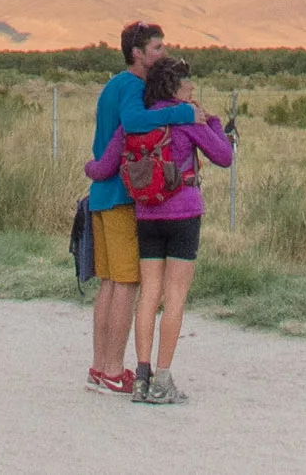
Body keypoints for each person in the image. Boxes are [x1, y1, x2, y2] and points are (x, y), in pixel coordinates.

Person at [85, 53, 232, 406]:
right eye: (187, 82)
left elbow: (104, 167)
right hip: (184, 214)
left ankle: (141, 377)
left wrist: (88, 168)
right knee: (175, 297)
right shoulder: (187, 118)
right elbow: (224, 156)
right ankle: (163, 380)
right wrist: (212, 121)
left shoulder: (138, 122)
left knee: (148, 296)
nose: (192, 87)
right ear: (175, 86)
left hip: (147, 216)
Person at [84, 21, 193, 396]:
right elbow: (132, 122)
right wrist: (182, 114)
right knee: (127, 283)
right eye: (157, 48)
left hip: (101, 194)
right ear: (137, 53)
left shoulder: (113, 85)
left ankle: (100, 367)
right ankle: (114, 370)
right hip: (120, 195)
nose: (164, 53)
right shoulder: (132, 86)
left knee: (109, 283)